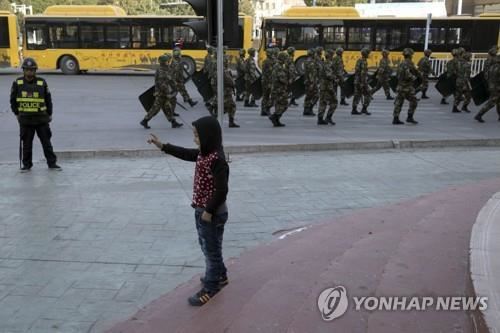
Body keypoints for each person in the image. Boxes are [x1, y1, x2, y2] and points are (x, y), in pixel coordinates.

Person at [148, 116, 230, 306]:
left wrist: (209, 211)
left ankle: (211, 287)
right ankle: (221, 275)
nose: (194, 138)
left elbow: (222, 190)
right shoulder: (204, 153)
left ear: (208, 136)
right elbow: (185, 153)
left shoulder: (217, 159)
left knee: (211, 251)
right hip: (202, 210)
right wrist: (162, 146)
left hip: (212, 213)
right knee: (208, 246)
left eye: (196, 135)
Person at [10, 57, 61, 172]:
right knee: (27, 145)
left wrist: (50, 113)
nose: (29, 72)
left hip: (41, 120)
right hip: (25, 120)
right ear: (23, 70)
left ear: (35, 71)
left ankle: (52, 164)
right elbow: (13, 100)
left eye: (32, 70)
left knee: (47, 144)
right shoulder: (17, 83)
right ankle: (27, 165)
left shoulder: (41, 82)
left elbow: (48, 99)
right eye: (27, 69)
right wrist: (16, 113)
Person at [140, 54, 183, 129]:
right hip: (161, 94)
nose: (168, 62)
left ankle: (173, 122)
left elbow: (170, 80)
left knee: (167, 108)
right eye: (167, 61)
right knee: (155, 109)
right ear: (164, 62)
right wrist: (168, 94)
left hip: (163, 94)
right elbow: (162, 84)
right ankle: (145, 121)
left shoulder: (165, 69)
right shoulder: (161, 71)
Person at [392, 48, 419, 125]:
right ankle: (409, 117)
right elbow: (408, 74)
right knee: (414, 102)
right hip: (407, 87)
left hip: (400, 86)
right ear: (410, 55)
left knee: (399, 102)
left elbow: (397, 75)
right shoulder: (408, 63)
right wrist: (415, 78)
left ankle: (395, 118)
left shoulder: (401, 63)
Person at [474, 50, 500, 123]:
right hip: (497, 87)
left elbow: (486, 76)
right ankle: (479, 115)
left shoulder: (492, 67)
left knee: (498, 102)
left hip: (491, 86)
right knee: (491, 103)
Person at [317, 49, 337, 125]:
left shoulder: (323, 63)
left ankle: (320, 119)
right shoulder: (328, 64)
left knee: (323, 102)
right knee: (334, 102)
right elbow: (329, 75)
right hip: (328, 86)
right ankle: (328, 117)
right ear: (331, 56)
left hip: (323, 86)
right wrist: (335, 79)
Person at [269, 52, 289, 127]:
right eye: (285, 58)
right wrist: (287, 81)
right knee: (285, 104)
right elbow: (282, 79)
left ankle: (276, 120)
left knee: (279, 104)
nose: (286, 60)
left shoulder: (278, 65)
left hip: (277, 89)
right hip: (279, 89)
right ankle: (274, 117)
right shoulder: (279, 67)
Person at [352, 48, 372, 115]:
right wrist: (363, 83)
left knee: (357, 95)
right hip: (361, 81)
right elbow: (362, 73)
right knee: (368, 94)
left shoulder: (359, 60)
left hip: (357, 80)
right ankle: (364, 108)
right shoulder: (364, 61)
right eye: (368, 53)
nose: (369, 54)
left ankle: (354, 109)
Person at [260, 48, 276, 116]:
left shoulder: (266, 61)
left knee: (265, 96)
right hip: (268, 81)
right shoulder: (268, 62)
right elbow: (271, 71)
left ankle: (264, 110)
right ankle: (266, 109)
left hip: (265, 81)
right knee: (268, 96)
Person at [303, 48, 318, 116]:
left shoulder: (307, 61)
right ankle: (309, 109)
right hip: (311, 82)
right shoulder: (311, 62)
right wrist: (312, 83)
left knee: (308, 96)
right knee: (316, 95)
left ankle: (306, 110)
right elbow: (311, 74)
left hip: (307, 81)